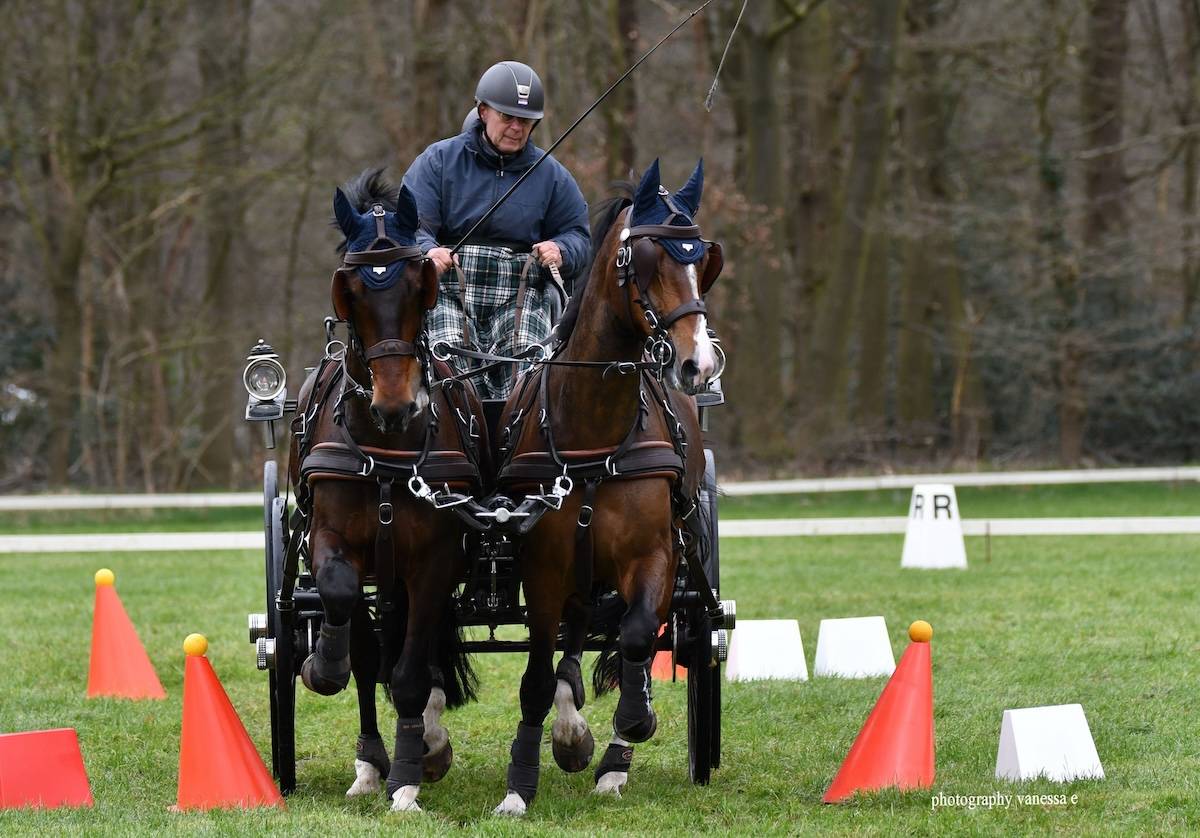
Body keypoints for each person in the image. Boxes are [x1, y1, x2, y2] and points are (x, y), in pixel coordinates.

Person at [402, 60, 591, 399]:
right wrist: (428, 251)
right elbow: (409, 226)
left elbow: (579, 236)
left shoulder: (553, 176)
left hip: (521, 293)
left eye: (526, 121)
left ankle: (520, 444)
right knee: (447, 363)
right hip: (447, 290)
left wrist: (561, 249)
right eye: (508, 117)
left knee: (530, 366)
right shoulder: (438, 161)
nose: (517, 128)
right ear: (483, 111)